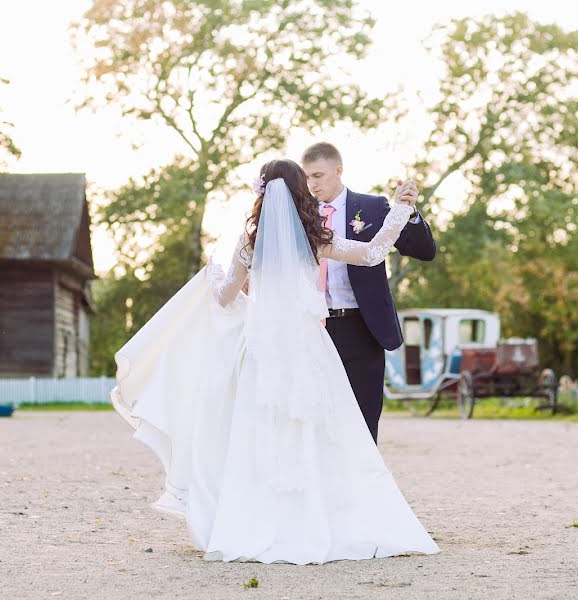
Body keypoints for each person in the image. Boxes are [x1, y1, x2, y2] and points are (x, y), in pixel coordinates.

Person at [110, 159, 439, 565]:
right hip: (309, 345)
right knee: (320, 431)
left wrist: (213, 278)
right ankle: (321, 518)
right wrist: (401, 209)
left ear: (262, 193)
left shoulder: (249, 245)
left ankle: (260, 520)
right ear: (301, 190)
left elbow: (225, 297)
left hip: (263, 348)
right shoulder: (316, 237)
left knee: (259, 431)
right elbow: (372, 254)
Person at [301, 142, 436, 443]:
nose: (312, 184)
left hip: (363, 326)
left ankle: (363, 486)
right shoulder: (300, 215)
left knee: (364, 417)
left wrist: (409, 213)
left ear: (338, 170)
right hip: (313, 328)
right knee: (318, 416)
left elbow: (423, 251)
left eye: (318, 176)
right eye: (307, 177)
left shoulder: (372, 207)